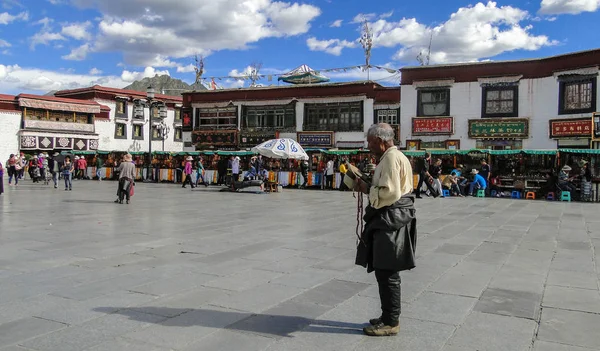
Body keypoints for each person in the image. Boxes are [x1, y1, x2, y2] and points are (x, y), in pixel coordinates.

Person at [353, 123, 416, 337]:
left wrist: (366, 188)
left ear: (380, 141)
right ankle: (388, 315)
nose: (369, 146)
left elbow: (389, 192)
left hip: (391, 218)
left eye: (370, 142)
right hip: (394, 217)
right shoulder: (396, 157)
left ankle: (391, 321)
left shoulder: (390, 158)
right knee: (385, 270)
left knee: (387, 272)